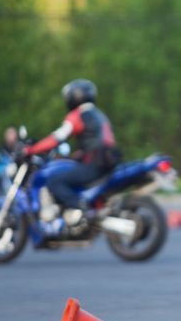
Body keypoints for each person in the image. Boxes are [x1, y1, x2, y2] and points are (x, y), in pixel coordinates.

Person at [21, 79, 121, 231]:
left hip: (95, 164)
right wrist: (78, 155)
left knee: (54, 181)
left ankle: (82, 208)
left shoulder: (78, 115)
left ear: (75, 96)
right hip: (108, 162)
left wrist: (31, 149)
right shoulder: (99, 114)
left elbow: (57, 137)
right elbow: (98, 141)